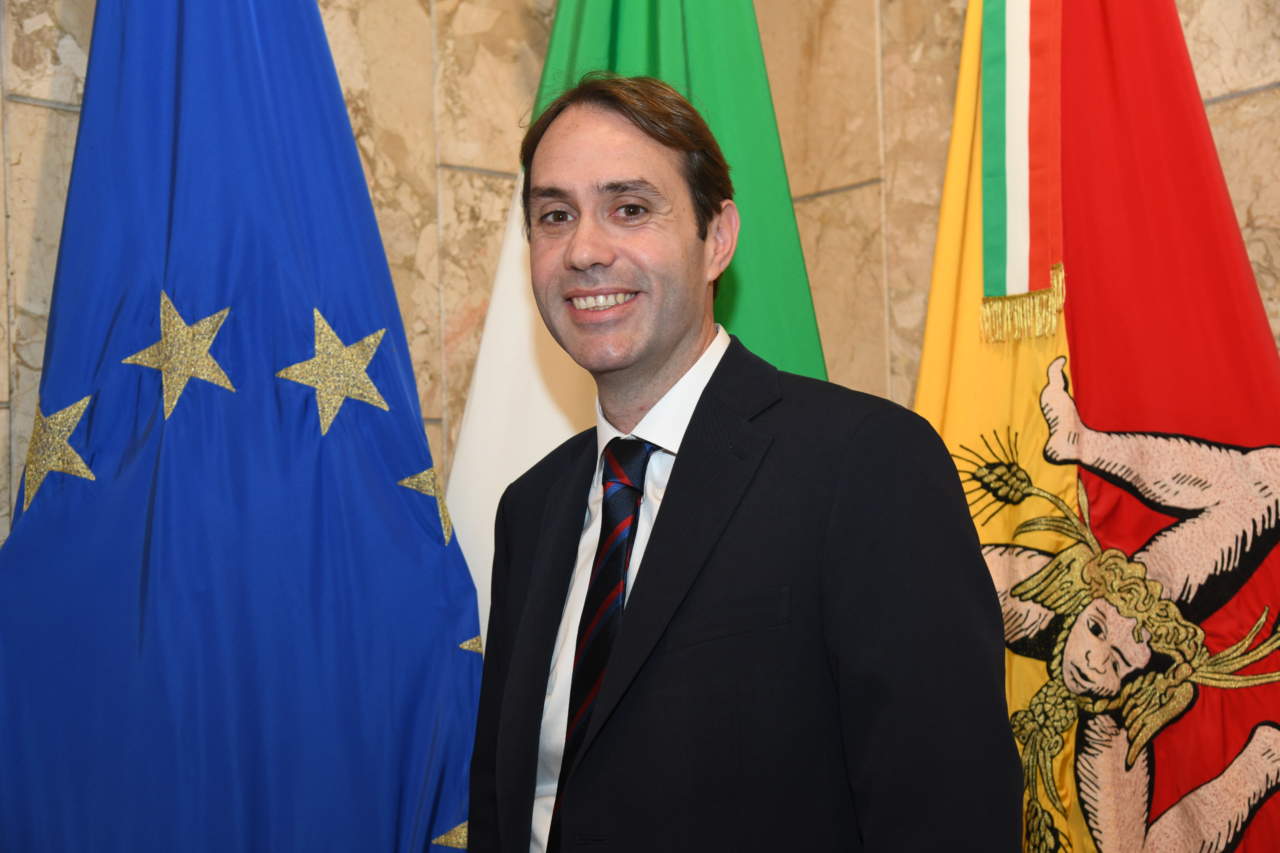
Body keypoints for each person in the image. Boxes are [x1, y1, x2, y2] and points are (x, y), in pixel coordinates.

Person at [468, 73, 1021, 853]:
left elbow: (949, 813)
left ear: (717, 238)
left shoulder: (865, 465)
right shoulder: (531, 508)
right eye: (555, 215)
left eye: (631, 208)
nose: (585, 250)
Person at [969, 357, 1280, 852]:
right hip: (1124, 592)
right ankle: (1079, 441)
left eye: (1115, 662)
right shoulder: (1032, 592)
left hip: (1146, 639)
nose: (1094, 661)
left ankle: (1265, 759)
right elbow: (945, 570)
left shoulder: (1118, 715)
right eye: (1096, 631)